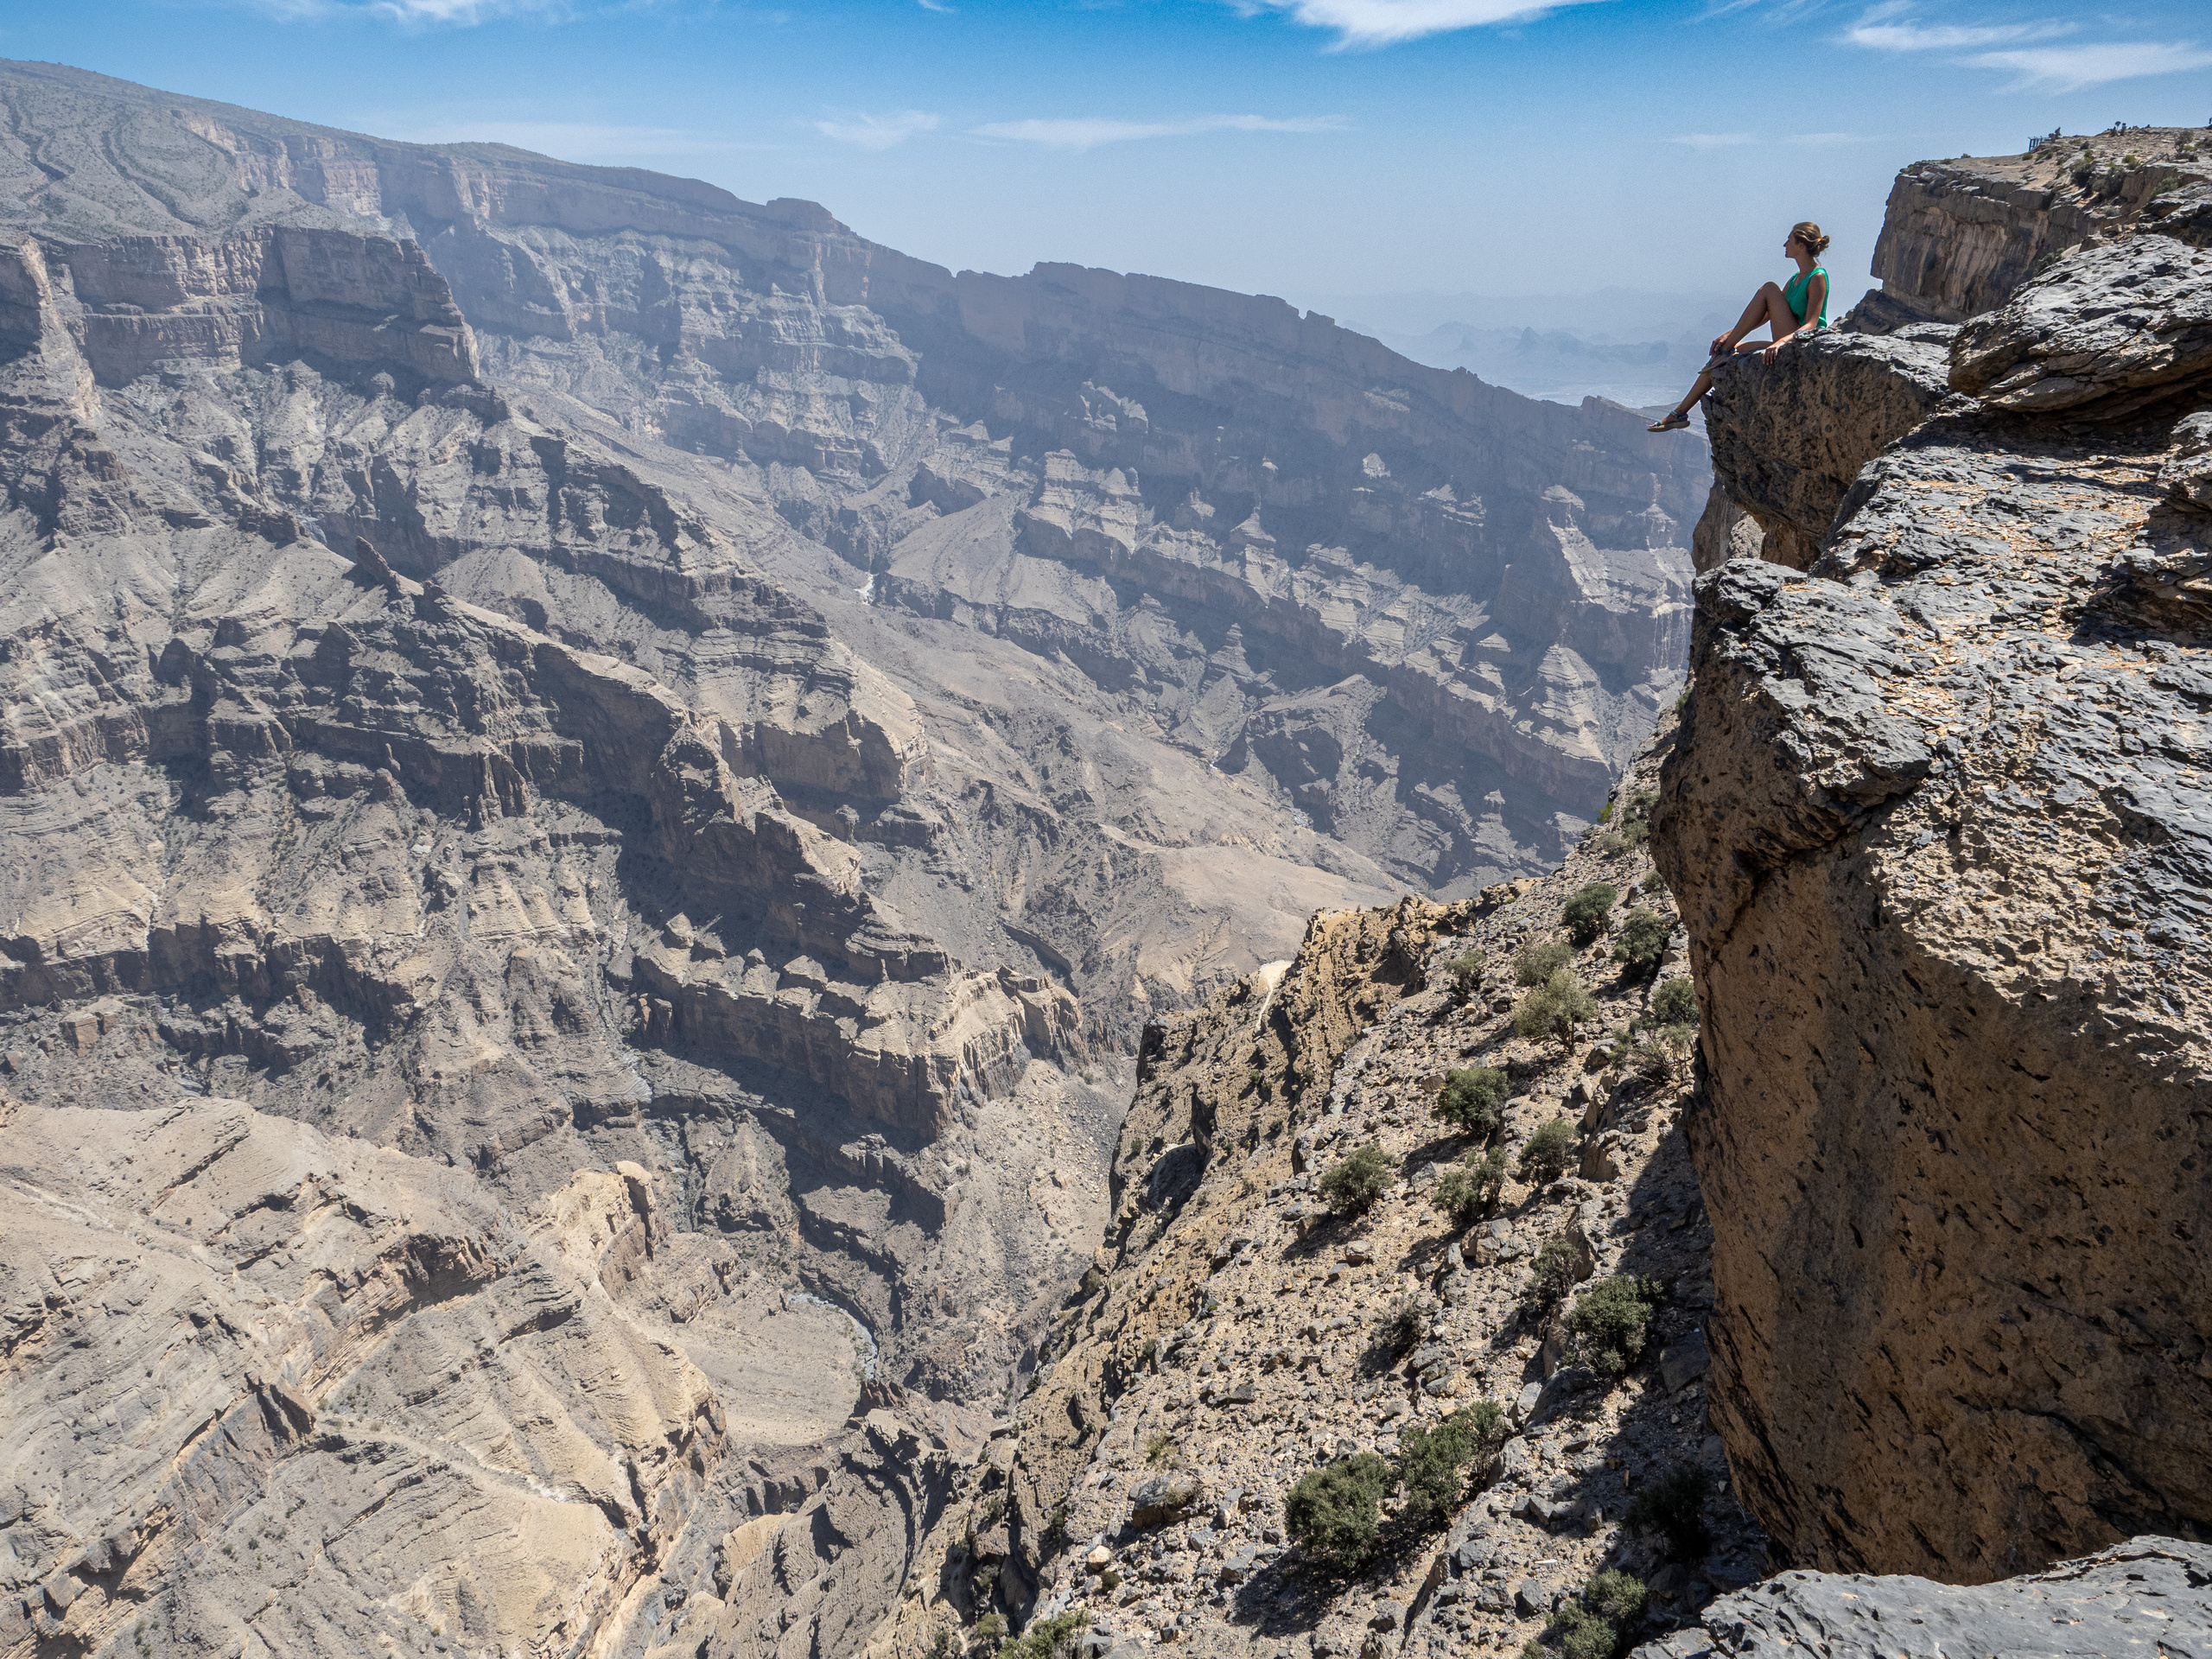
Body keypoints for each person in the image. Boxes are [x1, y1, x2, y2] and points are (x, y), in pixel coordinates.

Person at [1648, 223, 1830, 432]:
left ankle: (1726, 347)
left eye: (1789, 239)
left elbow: (1812, 324)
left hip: (1800, 344)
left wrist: (1780, 342)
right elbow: (1768, 314)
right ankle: (1679, 413)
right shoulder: (1795, 279)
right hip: (1786, 339)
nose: (1784, 244)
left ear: (1800, 244)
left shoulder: (1817, 277)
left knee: (1769, 288)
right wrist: (1729, 335)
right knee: (1727, 355)